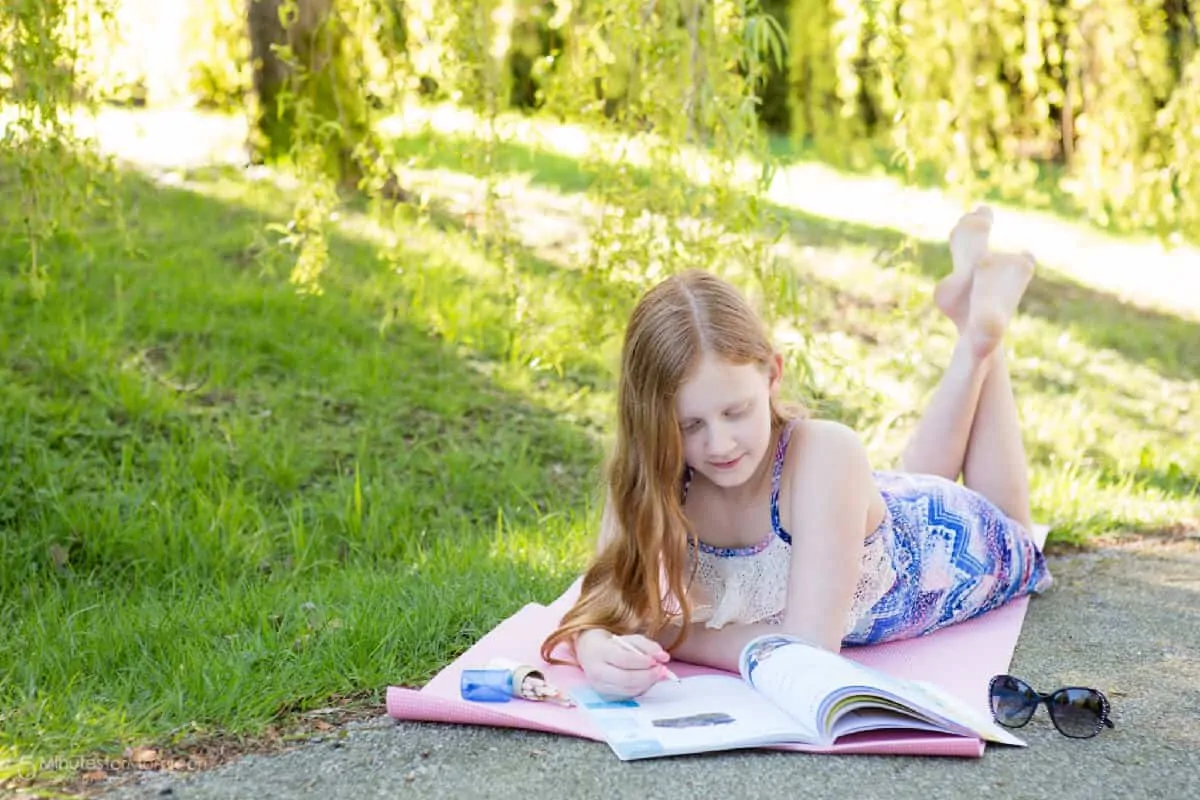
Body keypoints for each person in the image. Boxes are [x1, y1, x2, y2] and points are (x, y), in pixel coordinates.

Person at [540, 207, 1053, 700]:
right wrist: (596, 645)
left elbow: (809, 650)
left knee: (1018, 531)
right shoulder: (651, 472)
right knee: (901, 479)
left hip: (949, 548)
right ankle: (975, 325)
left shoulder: (825, 452)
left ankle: (986, 340)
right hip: (867, 509)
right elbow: (602, 603)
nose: (718, 444)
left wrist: (665, 634)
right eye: (688, 424)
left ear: (772, 374)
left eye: (736, 411)